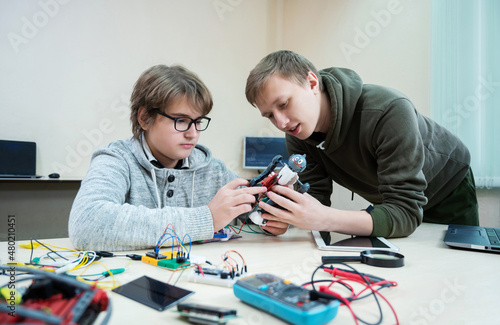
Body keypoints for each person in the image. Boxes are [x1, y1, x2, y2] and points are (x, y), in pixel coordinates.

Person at [244, 50, 479, 238]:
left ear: (312, 82)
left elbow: (405, 212)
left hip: (447, 186)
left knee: (455, 266)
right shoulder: (297, 134)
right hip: (392, 201)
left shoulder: (388, 110)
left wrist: (325, 217)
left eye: (284, 104)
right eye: (270, 116)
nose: (281, 122)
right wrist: (285, 218)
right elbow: (315, 198)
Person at [69, 64, 273, 251]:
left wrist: (274, 217)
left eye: (198, 121)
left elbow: (258, 208)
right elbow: (87, 224)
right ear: (144, 118)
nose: (193, 133)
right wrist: (206, 218)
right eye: (181, 120)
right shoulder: (116, 160)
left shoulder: (213, 170)